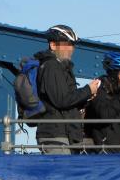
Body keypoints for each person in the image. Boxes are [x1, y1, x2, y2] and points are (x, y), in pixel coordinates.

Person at [35, 25, 101, 154]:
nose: (71, 49)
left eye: (72, 45)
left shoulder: (61, 67)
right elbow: (62, 100)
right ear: (53, 45)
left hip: (65, 134)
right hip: (55, 135)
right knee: (59, 174)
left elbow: (67, 99)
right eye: (66, 44)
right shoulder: (51, 66)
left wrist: (86, 97)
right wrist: (87, 90)